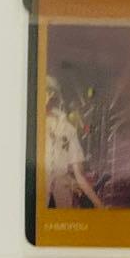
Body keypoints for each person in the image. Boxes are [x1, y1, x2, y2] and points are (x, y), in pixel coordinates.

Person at [45, 78, 103, 209]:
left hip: (61, 202)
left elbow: (79, 176)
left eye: (46, 91)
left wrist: (101, 207)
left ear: (51, 94)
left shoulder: (67, 128)